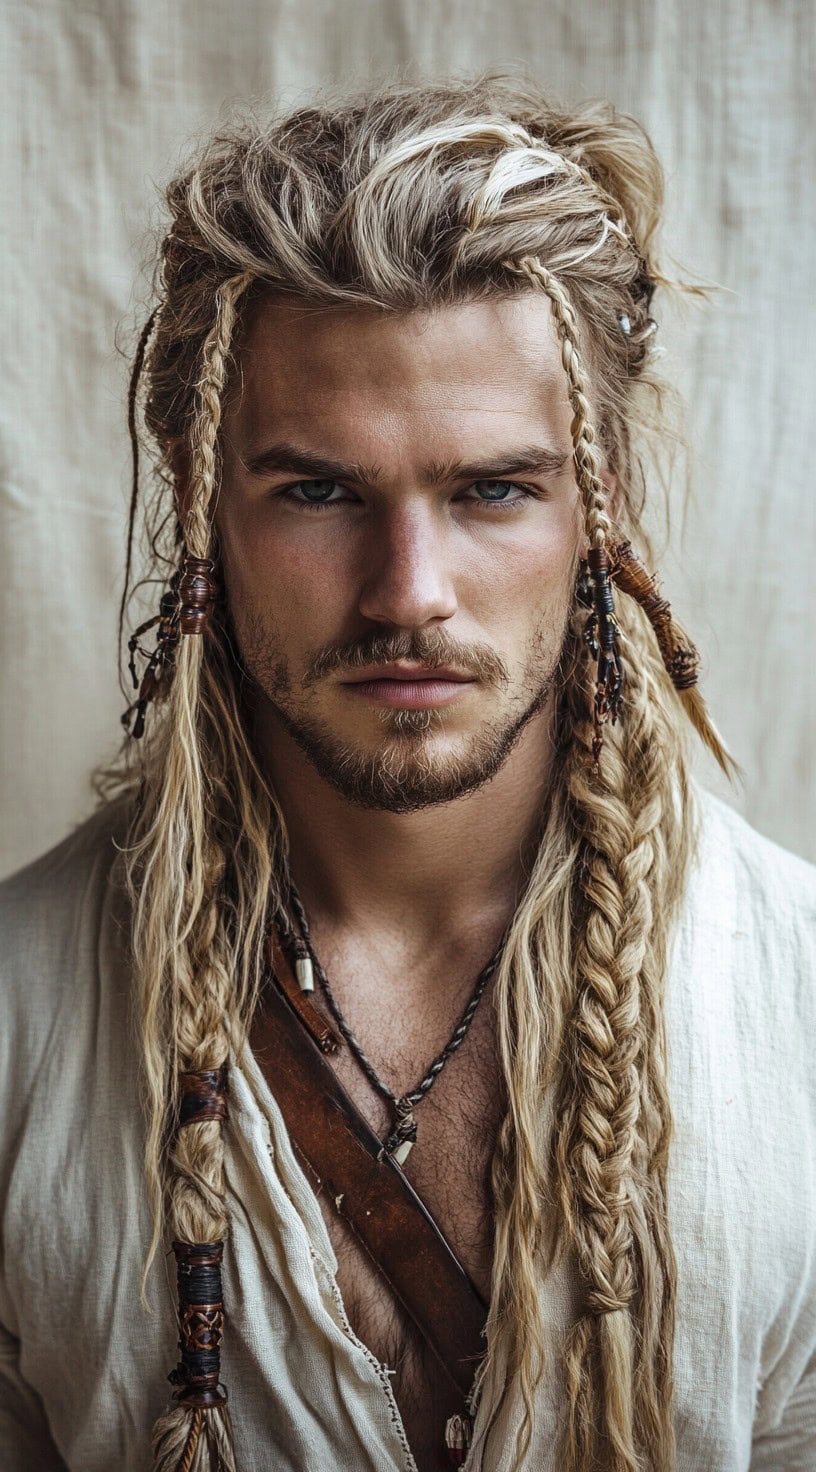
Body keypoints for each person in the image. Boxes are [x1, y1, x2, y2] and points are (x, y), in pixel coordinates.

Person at [1, 75, 814, 1472]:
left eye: (492, 489)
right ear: (201, 500)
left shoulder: (796, 1003)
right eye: (318, 491)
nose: (407, 594)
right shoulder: (20, 1014)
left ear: (597, 502)